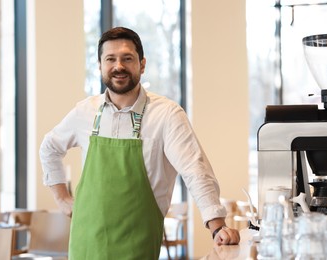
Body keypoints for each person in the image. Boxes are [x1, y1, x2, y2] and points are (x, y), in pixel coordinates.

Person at [39, 26, 240, 259]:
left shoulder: (166, 114)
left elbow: (195, 169)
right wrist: (62, 199)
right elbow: (49, 148)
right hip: (85, 246)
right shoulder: (85, 112)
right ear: (100, 66)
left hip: (137, 247)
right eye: (110, 59)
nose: (118, 66)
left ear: (142, 64)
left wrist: (216, 225)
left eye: (127, 58)